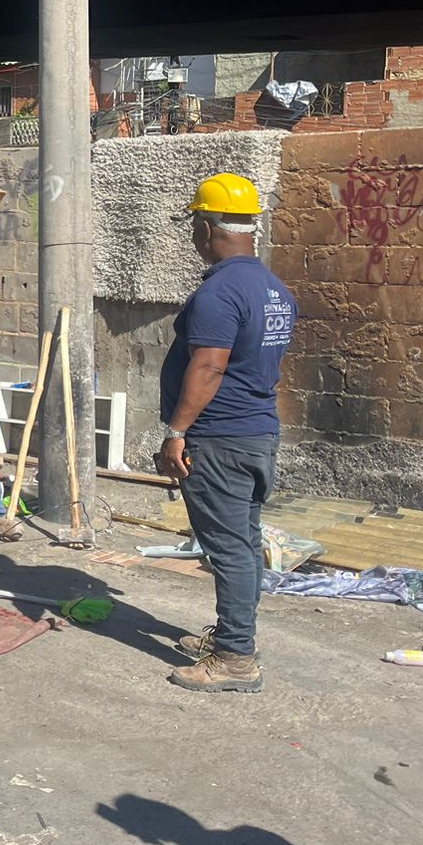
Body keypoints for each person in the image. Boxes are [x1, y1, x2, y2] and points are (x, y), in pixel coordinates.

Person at [158, 173, 297, 694]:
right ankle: (234, 639)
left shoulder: (219, 291)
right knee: (243, 541)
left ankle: (237, 657)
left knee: (230, 549)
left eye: (195, 225)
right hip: (257, 433)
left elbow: (210, 366)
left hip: (220, 439)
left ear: (206, 226)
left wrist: (177, 431)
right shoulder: (274, 289)